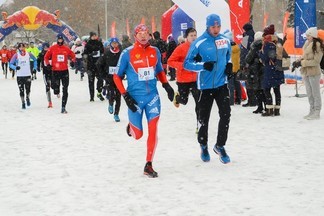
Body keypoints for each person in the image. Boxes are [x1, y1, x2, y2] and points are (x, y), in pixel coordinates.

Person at [113, 24, 174, 178]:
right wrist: (125, 96)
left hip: (152, 97)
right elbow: (116, 76)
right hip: (135, 99)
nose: (143, 36)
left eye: (146, 33)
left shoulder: (155, 51)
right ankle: (132, 127)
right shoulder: (127, 53)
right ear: (135, 36)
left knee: (153, 128)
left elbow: (159, 70)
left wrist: (166, 86)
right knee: (138, 135)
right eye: (140, 33)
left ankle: (148, 164)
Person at [184, 14, 232, 164]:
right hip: (205, 87)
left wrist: (229, 65)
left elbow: (228, 55)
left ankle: (220, 145)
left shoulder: (224, 40)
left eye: (218, 26)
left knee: (226, 115)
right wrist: (202, 66)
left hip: (221, 84)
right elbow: (187, 63)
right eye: (213, 27)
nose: (216, 29)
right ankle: (203, 144)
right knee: (204, 119)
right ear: (207, 26)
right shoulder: (199, 43)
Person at [167, 27, 200, 132]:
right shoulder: (181, 48)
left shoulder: (199, 47)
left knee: (199, 103)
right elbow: (170, 61)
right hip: (183, 79)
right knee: (184, 101)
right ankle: (177, 98)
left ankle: (199, 125)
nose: (194, 37)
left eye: (195, 35)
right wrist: (183, 65)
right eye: (191, 35)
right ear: (187, 37)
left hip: (196, 79)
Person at [293, 27, 323, 120]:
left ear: (313, 35)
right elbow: (304, 56)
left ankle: (317, 111)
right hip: (306, 71)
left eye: (308, 35)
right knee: (309, 93)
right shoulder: (307, 43)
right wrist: (298, 61)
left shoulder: (317, 45)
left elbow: (316, 61)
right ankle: (312, 110)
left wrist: (302, 63)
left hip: (314, 71)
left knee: (315, 93)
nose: (306, 37)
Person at [44, 33, 76, 114]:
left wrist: (73, 61)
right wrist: (48, 64)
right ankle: (55, 89)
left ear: (63, 40)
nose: (60, 40)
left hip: (64, 71)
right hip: (55, 71)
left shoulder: (66, 48)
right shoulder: (52, 48)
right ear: (57, 39)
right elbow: (46, 57)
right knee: (56, 90)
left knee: (65, 89)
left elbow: (73, 55)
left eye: (61, 39)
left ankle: (63, 107)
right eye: (59, 39)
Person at [260, 24, 285, 117]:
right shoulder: (278, 42)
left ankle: (269, 109)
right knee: (277, 90)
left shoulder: (268, 44)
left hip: (270, 70)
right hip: (278, 69)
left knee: (266, 90)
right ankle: (277, 110)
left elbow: (266, 58)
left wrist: (260, 54)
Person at [96, 37, 122, 122]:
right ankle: (111, 103)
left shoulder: (121, 54)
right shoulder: (106, 53)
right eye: (113, 43)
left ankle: (116, 114)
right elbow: (98, 64)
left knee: (118, 96)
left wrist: (123, 73)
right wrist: (103, 75)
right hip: (109, 78)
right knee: (111, 93)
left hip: (118, 78)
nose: (115, 44)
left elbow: (126, 65)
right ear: (110, 44)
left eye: (116, 43)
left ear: (118, 44)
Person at [9, 43, 37, 109]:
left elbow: (35, 60)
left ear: (25, 47)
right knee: (21, 90)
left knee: (28, 89)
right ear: (18, 48)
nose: (22, 48)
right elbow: (10, 64)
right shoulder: (16, 55)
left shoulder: (28, 54)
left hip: (27, 75)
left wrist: (34, 68)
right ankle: (23, 102)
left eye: (23, 47)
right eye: (20, 47)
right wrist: (15, 67)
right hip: (20, 76)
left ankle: (27, 98)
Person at [245, 31, 266, 113]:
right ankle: (267, 106)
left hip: (255, 70)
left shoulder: (254, 46)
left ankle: (260, 106)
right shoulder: (265, 45)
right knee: (263, 90)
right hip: (263, 70)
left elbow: (248, 58)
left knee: (257, 90)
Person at [83, 31, 105, 101]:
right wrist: (90, 54)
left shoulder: (99, 43)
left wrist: (101, 56)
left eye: (95, 35)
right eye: (93, 36)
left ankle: (99, 92)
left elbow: (103, 52)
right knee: (91, 81)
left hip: (99, 65)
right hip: (91, 65)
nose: (95, 37)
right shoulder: (88, 44)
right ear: (91, 36)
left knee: (100, 79)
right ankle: (91, 97)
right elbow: (84, 54)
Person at [240, 23, 257, 107]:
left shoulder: (245, 38)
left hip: (247, 63)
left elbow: (243, 52)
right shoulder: (255, 36)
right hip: (254, 63)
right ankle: (255, 99)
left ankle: (251, 100)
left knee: (248, 82)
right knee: (254, 81)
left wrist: (242, 63)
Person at [224, 29, 242, 106]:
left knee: (230, 86)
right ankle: (238, 99)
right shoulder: (237, 47)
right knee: (237, 84)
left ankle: (231, 101)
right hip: (237, 68)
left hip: (230, 68)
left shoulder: (227, 48)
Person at [37, 42, 53, 108]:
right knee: (47, 86)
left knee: (54, 85)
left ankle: (57, 91)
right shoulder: (41, 54)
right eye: (45, 47)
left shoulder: (52, 53)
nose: (46, 48)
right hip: (45, 72)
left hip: (52, 71)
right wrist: (38, 67)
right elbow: (38, 60)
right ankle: (49, 102)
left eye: (47, 47)